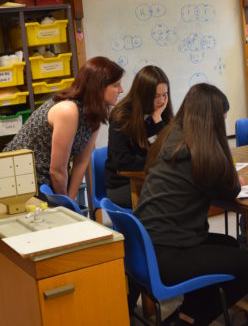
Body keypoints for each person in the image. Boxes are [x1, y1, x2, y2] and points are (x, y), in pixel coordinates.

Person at [133, 83, 248, 326]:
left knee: (228, 244)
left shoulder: (170, 138)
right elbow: (233, 189)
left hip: (145, 249)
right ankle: (191, 321)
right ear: (213, 122)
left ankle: (186, 316)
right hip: (171, 255)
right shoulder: (204, 153)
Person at [3, 56, 124, 200]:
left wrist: (70, 201)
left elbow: (81, 162)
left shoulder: (95, 113)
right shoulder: (68, 110)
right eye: (116, 85)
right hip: (17, 180)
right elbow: (57, 171)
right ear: (98, 86)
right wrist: (64, 204)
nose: (121, 90)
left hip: (45, 182)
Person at [105, 65, 174, 208]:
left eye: (165, 94)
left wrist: (157, 119)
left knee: (182, 193)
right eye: (156, 96)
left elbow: (170, 149)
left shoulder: (160, 113)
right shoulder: (122, 117)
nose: (162, 101)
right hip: (123, 184)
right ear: (143, 94)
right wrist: (154, 162)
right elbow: (121, 161)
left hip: (152, 179)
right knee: (169, 200)